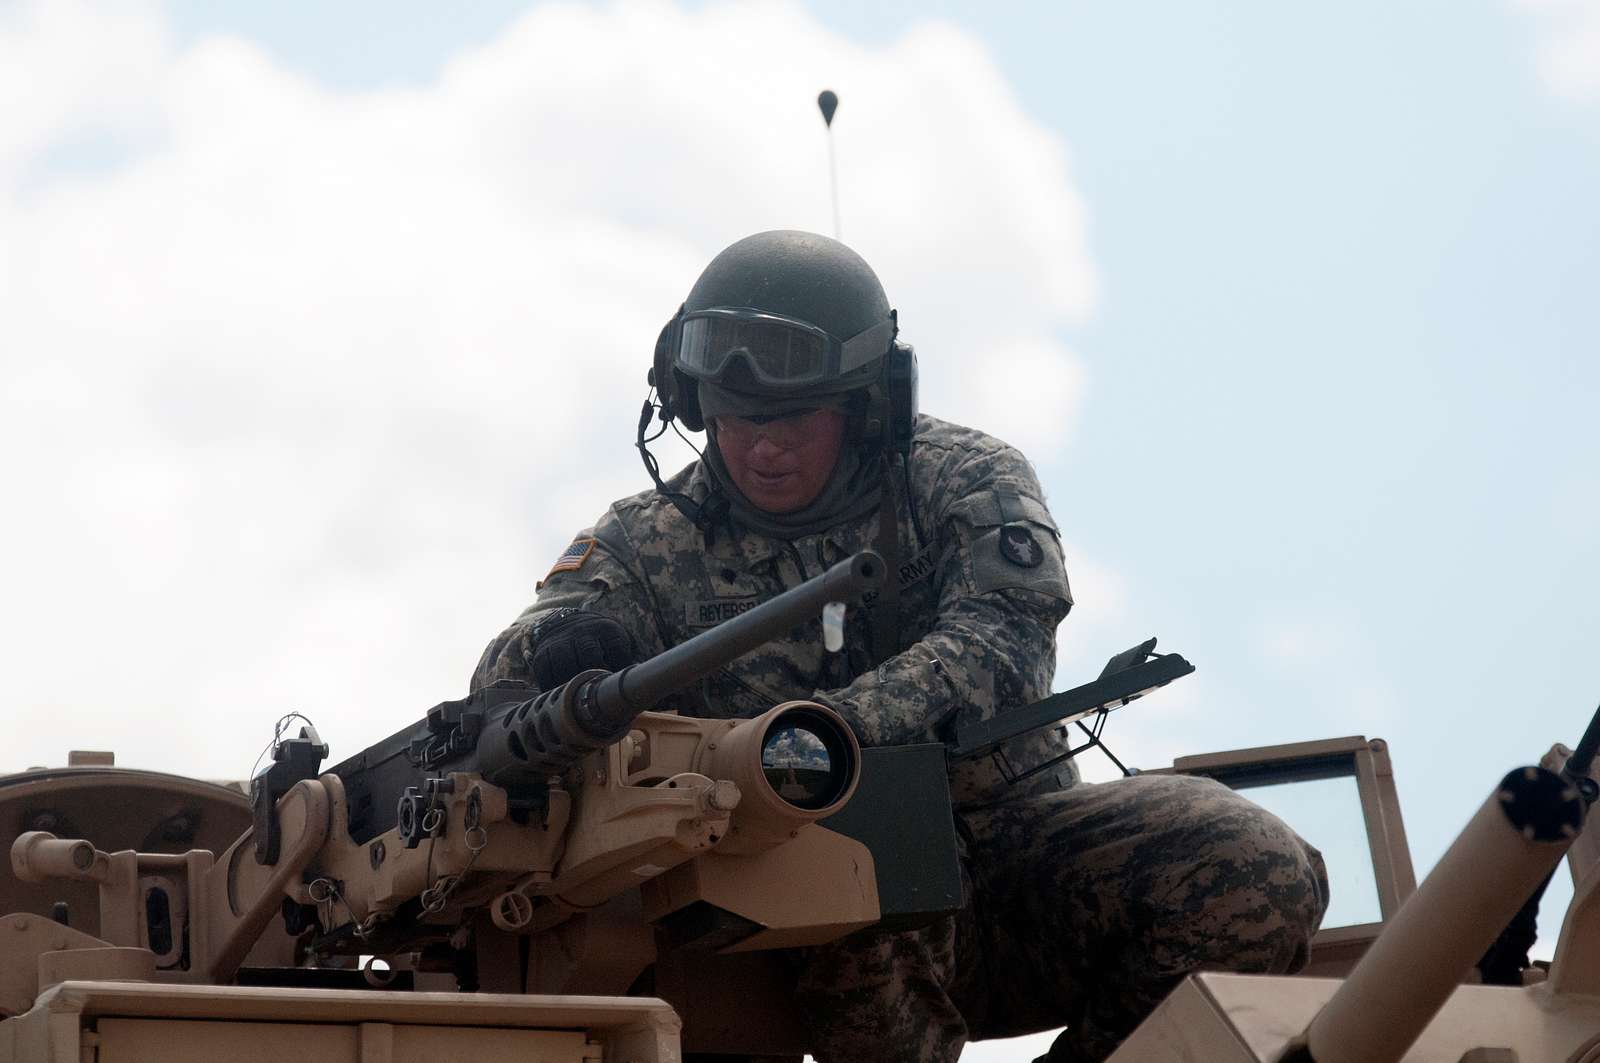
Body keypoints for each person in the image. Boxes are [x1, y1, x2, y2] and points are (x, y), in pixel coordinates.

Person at [472, 230, 1328, 1063]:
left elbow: (1002, 645)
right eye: (736, 417)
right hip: (783, 910)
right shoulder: (641, 541)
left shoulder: (960, 476)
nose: (763, 445)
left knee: (1252, 861)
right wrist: (567, 648)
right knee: (854, 839)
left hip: (1012, 861)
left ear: (865, 403)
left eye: (795, 416)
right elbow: (500, 685)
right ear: (692, 403)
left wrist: (810, 743)